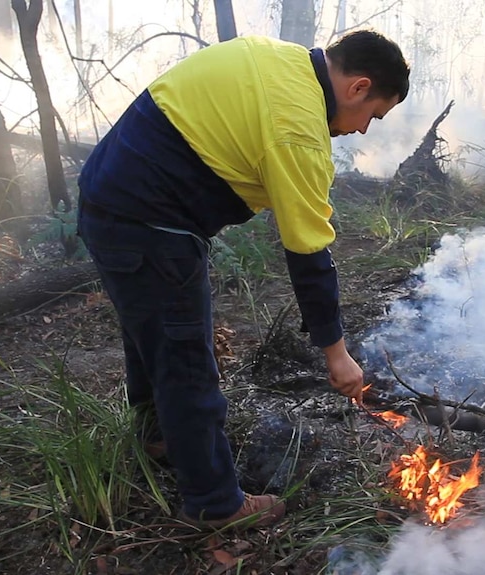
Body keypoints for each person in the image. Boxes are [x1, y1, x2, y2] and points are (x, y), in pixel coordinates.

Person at [76, 29, 410, 530]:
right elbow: (309, 254)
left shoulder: (276, 58)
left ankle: (160, 436)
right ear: (358, 87)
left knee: (152, 337)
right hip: (149, 222)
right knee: (186, 356)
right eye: (373, 116)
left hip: (109, 197)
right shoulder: (297, 129)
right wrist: (336, 355)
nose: (363, 130)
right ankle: (214, 504)